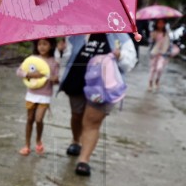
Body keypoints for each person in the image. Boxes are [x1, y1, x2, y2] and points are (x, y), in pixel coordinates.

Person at [58, 33, 136, 177]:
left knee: (92, 122)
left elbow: (130, 62)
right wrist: (61, 50)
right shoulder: (76, 32)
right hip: (77, 79)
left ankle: (84, 160)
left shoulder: (119, 35)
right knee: (76, 115)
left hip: (103, 85)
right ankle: (76, 140)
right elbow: (65, 58)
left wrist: (120, 56)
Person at [16, 38, 59, 155]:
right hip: (31, 94)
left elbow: (56, 79)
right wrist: (31, 74)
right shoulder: (32, 60)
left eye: (45, 44)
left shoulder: (54, 62)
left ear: (51, 45)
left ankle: (38, 140)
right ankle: (27, 145)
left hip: (44, 95)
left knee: (39, 119)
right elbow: (19, 71)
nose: (42, 47)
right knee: (30, 119)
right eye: (39, 44)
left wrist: (55, 79)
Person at [148, 18, 174, 91]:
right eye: (159, 23)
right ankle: (150, 83)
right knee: (152, 69)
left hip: (163, 54)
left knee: (159, 68)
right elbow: (150, 43)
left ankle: (157, 80)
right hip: (154, 53)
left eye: (162, 23)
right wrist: (153, 38)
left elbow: (170, 43)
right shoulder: (154, 33)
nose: (160, 24)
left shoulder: (167, 33)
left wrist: (169, 52)